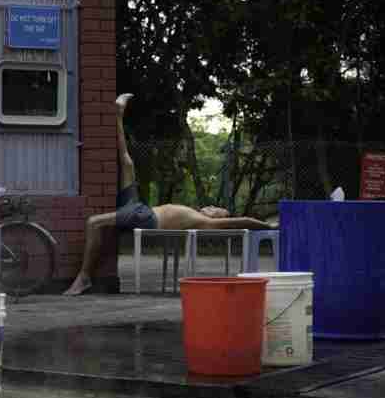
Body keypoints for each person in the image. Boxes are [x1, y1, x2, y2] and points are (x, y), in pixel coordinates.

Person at [63, 93, 276, 296]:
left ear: (218, 219)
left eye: (217, 210)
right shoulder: (195, 212)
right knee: (127, 162)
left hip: (145, 217)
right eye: (213, 206)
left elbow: (245, 221)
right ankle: (118, 115)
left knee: (93, 222)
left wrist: (270, 226)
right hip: (138, 207)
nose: (211, 207)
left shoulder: (205, 222)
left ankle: (84, 277)